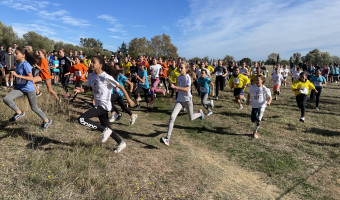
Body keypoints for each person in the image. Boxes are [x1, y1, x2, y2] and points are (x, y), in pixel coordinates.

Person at [75, 56, 134, 153]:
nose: (91, 64)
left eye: (94, 62)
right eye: (91, 62)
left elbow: (121, 87)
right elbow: (86, 89)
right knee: (107, 126)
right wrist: (81, 90)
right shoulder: (92, 75)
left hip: (104, 105)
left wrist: (129, 100)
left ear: (100, 65)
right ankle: (121, 142)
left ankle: (104, 130)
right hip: (97, 104)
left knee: (82, 119)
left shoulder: (106, 77)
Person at [3, 47, 52, 129]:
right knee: (6, 99)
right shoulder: (18, 63)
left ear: (23, 55)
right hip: (20, 88)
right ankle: (19, 112)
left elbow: (31, 78)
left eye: (16, 53)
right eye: (14, 53)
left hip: (29, 89)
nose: (14, 55)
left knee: (34, 107)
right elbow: (19, 77)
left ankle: (46, 121)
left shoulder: (26, 65)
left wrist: (17, 75)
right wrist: (16, 83)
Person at [160, 62, 204, 146]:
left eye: (181, 68)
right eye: (179, 67)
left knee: (191, 118)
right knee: (172, 117)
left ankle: (200, 114)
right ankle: (167, 138)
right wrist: (174, 87)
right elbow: (178, 88)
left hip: (187, 101)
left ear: (186, 69)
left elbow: (187, 89)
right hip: (179, 100)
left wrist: (176, 87)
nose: (179, 69)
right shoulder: (179, 77)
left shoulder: (187, 77)